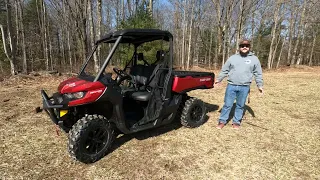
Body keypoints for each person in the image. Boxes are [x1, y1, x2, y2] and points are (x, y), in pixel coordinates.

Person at [215, 39, 263, 129]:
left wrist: (259, 85)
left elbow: (258, 73)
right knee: (227, 104)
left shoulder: (254, 59)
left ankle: (236, 122)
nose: (244, 47)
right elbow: (225, 70)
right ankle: (222, 121)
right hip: (231, 85)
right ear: (239, 47)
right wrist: (219, 79)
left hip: (244, 87)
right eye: (242, 46)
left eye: (247, 46)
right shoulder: (232, 58)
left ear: (249, 47)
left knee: (240, 105)